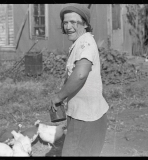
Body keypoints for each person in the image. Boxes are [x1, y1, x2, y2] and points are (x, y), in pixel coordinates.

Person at [49, 4, 109, 156]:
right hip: (86, 114)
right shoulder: (81, 43)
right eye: (65, 22)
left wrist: (58, 96)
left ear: (85, 24)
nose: (68, 26)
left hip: (85, 118)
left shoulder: (85, 43)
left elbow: (81, 74)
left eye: (73, 22)